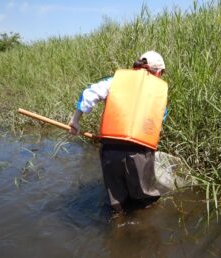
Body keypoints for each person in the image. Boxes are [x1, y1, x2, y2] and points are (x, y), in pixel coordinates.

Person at [68, 51, 167, 217]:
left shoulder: (115, 81)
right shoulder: (159, 91)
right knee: (145, 201)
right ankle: (143, 232)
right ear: (158, 72)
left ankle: (117, 226)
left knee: (116, 203)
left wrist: (75, 121)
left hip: (110, 149)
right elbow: (158, 123)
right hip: (140, 152)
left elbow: (89, 94)